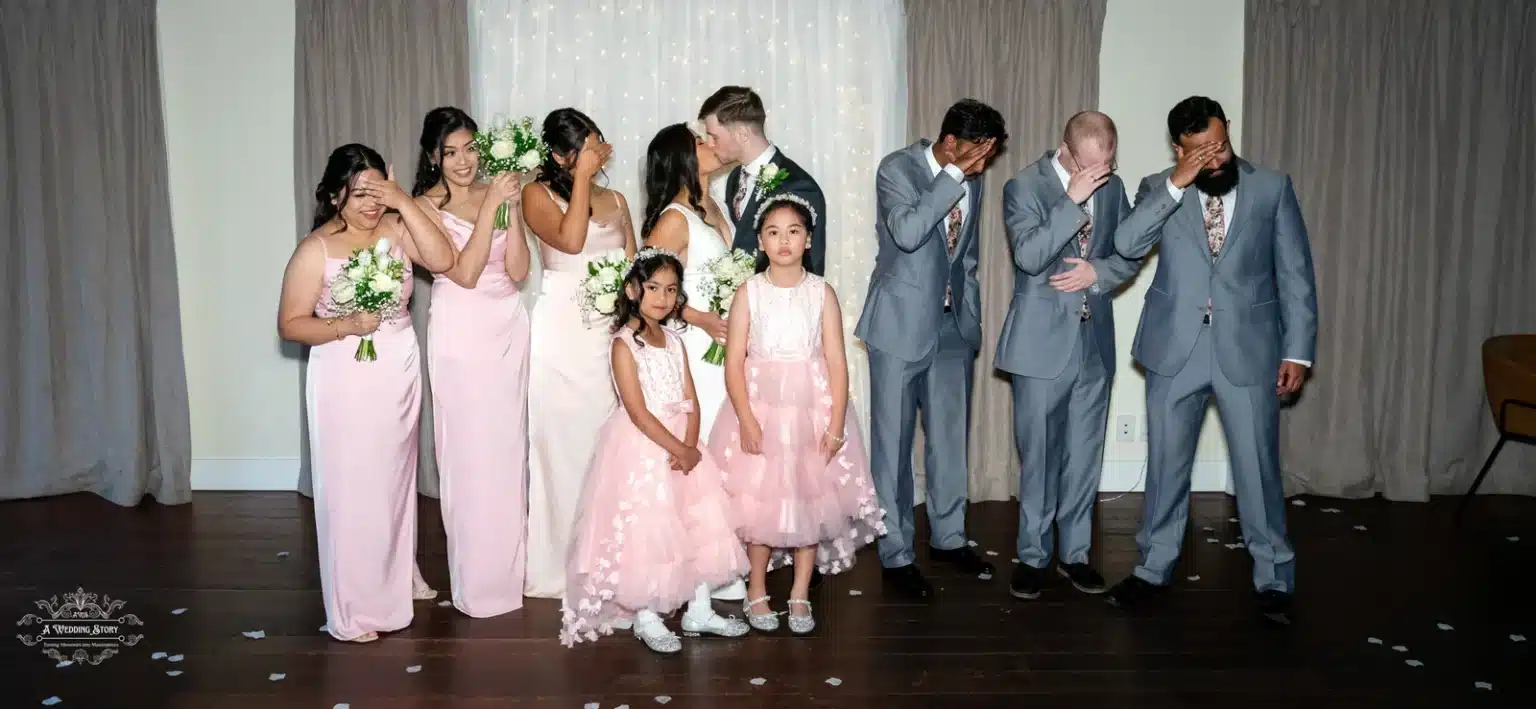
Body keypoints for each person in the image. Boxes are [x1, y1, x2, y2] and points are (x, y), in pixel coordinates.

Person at [1106, 96, 1318, 625]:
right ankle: (1154, 568)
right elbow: (1127, 244)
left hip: (1249, 350)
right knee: (1166, 468)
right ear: (1179, 148)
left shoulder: (1271, 187)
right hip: (1173, 351)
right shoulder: (1159, 187)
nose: (1216, 158)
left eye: (1222, 144)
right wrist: (1178, 182)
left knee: (1258, 468)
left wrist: (1297, 349)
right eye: (1202, 151)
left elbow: (1295, 274)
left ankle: (1274, 578)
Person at [277, 143, 456, 642]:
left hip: (398, 366)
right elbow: (290, 324)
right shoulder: (316, 248)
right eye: (360, 194)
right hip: (343, 374)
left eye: (378, 191)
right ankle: (352, 607)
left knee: (394, 482)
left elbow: (443, 258)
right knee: (352, 487)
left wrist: (403, 200)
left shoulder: (397, 229)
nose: (371, 203)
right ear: (336, 194)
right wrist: (347, 324)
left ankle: (397, 577)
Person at [709, 194, 886, 634]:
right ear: (761, 243)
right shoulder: (749, 292)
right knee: (760, 504)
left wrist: (836, 423)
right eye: (773, 232)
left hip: (812, 409)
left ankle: (801, 593)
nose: (784, 240)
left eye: (793, 232)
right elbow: (733, 361)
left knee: (810, 499)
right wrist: (746, 419)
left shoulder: (820, 292)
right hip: (760, 407)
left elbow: (837, 362)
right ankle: (756, 590)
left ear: (808, 239)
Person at [559, 248, 750, 653]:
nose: (662, 298)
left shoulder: (677, 340)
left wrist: (691, 446)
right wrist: (675, 447)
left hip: (685, 445)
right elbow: (637, 411)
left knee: (695, 524)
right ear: (632, 290)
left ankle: (698, 608)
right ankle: (647, 615)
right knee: (648, 531)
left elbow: (691, 398)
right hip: (645, 447)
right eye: (652, 288)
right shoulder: (623, 345)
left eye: (671, 290)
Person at [854, 99, 1006, 600]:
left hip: (951, 330)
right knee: (893, 446)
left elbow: (967, 257)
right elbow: (909, 231)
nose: (983, 165)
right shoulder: (897, 168)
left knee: (949, 440)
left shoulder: (975, 181)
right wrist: (953, 177)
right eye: (977, 155)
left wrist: (973, 319)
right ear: (950, 144)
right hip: (897, 327)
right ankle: (895, 552)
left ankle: (949, 537)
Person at [996, 111, 1141, 600]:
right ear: (1066, 149)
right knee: (1039, 454)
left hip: (1093, 343)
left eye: (1108, 165)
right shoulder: (1024, 187)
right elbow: (1030, 257)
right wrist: (1072, 200)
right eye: (1090, 166)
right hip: (1040, 344)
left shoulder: (1114, 190)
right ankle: (1034, 555)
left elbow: (1128, 253)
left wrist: (1097, 273)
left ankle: (1074, 555)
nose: (1100, 175)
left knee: (1083, 456)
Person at [409, 107, 533, 618]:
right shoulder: (423, 206)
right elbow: (463, 272)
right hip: (462, 330)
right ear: (434, 156)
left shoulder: (500, 191)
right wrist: (490, 210)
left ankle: (511, 573)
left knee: (507, 450)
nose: (462, 161)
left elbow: (520, 269)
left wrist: (516, 208)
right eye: (450, 152)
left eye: (469, 148)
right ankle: (478, 580)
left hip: (508, 323)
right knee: (468, 452)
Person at [521, 108, 638, 599]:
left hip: (607, 333)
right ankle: (559, 563)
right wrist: (584, 178)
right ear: (560, 155)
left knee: (609, 444)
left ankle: (611, 557)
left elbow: (633, 261)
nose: (598, 152)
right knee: (563, 442)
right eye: (587, 146)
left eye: (599, 142)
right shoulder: (536, 194)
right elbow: (570, 242)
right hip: (563, 332)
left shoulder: (617, 198)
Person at [639, 121, 752, 602]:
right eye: (700, 142)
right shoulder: (674, 218)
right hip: (697, 351)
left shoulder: (716, 206)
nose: (711, 145)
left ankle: (721, 563)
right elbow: (644, 287)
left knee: (727, 457)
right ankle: (698, 570)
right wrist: (702, 316)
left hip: (727, 351)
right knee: (702, 453)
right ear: (683, 158)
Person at [699, 86, 829, 275]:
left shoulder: (798, 187)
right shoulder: (734, 178)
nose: (710, 144)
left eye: (714, 136)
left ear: (742, 134)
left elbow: (811, 267)